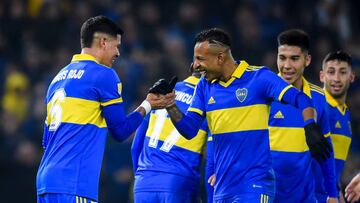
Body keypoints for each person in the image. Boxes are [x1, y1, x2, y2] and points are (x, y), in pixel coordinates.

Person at [151, 28, 332, 203]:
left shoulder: (259, 78)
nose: (195, 65)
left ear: (220, 57)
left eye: (200, 59)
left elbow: (301, 98)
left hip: (254, 185)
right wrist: (170, 105)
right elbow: (189, 129)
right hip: (223, 188)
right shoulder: (204, 87)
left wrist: (310, 125)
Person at [36, 16, 174, 203]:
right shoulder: (103, 74)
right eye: (116, 46)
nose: (118, 53)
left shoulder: (58, 78)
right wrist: (148, 104)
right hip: (74, 181)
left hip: (46, 180)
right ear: (103, 42)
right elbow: (120, 131)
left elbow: (46, 140)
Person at [268, 29, 337, 203]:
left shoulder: (319, 99)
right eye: (282, 58)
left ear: (307, 60)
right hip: (267, 196)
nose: (287, 66)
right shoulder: (263, 95)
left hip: (303, 197)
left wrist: (333, 194)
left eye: (294, 58)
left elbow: (326, 151)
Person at [131, 65, 209, 203]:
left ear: (191, 67)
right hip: (179, 182)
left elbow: (136, 146)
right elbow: (212, 157)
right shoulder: (210, 100)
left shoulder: (161, 92)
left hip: (144, 182)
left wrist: (141, 177)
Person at [318, 51, 355, 202]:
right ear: (322, 76)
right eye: (331, 72)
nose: (336, 79)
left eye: (343, 72)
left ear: (352, 77)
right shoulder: (318, 107)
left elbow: (334, 166)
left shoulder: (345, 114)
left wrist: (336, 192)